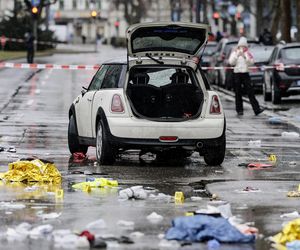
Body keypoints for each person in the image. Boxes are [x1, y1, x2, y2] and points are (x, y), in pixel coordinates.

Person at [228, 36, 264, 116]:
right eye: (241, 46)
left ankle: (256, 109)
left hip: (245, 73)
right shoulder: (235, 52)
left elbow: (251, 62)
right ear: (238, 46)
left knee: (250, 92)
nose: (242, 48)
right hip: (237, 73)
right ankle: (239, 110)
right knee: (238, 92)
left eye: (244, 46)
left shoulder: (248, 53)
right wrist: (237, 55)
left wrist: (245, 57)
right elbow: (231, 62)